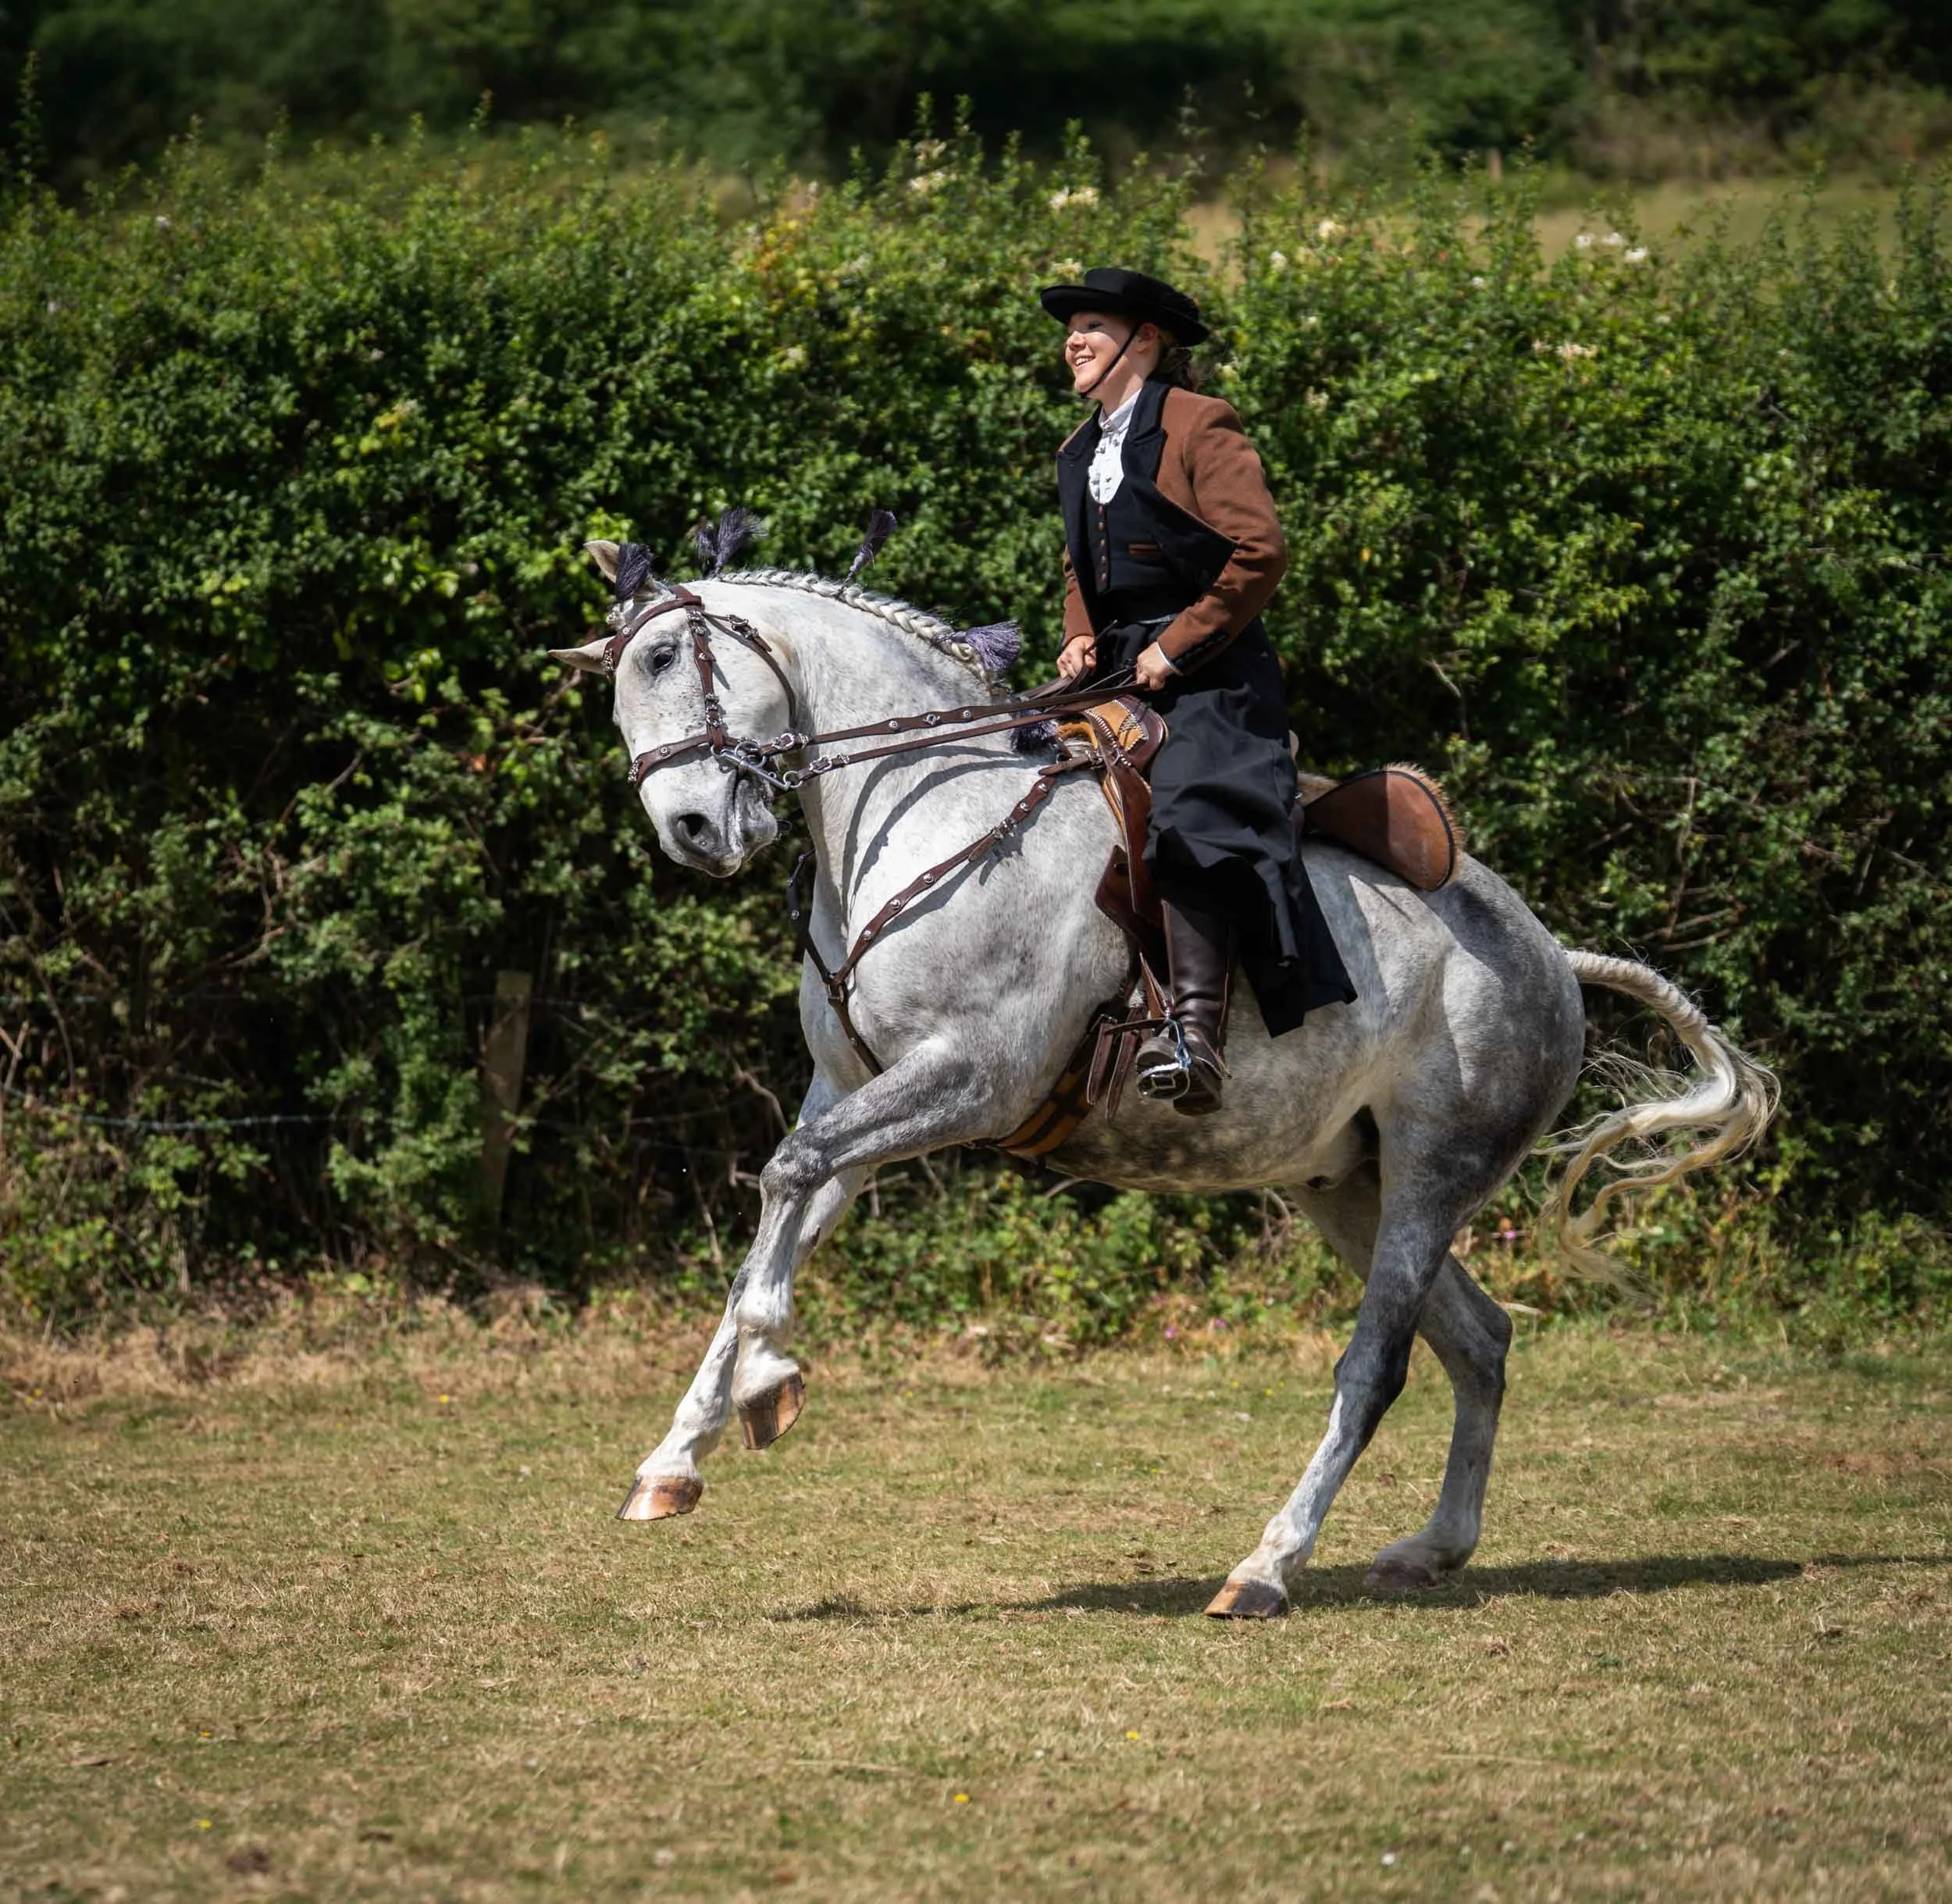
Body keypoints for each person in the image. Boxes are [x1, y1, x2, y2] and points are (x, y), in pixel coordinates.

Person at [1041, 265, 1355, 1114]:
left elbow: (1259, 551)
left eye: (1094, 327)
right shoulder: (1081, 446)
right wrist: (1078, 631)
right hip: (1113, 663)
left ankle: (1193, 1035)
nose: (1073, 339)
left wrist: (1177, 649)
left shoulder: (1196, 423)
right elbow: (1081, 562)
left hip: (1212, 671)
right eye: (1072, 327)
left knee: (1189, 808)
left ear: (1146, 341)